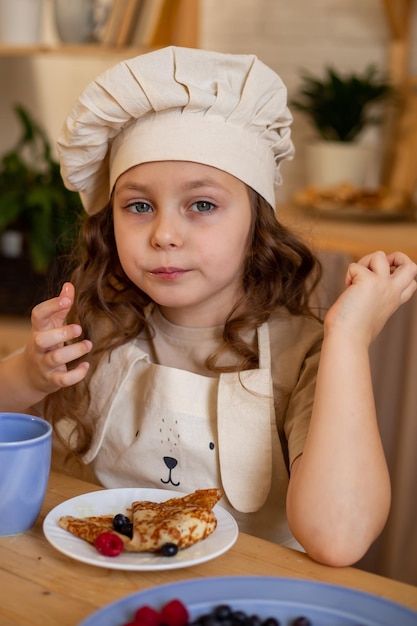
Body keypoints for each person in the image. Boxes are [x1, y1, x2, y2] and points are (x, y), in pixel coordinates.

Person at [1, 46, 416, 567]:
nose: (165, 234)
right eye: (138, 206)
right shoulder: (97, 329)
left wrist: (349, 340)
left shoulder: (306, 355)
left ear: (255, 224)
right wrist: (30, 374)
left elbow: (339, 538)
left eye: (202, 204)